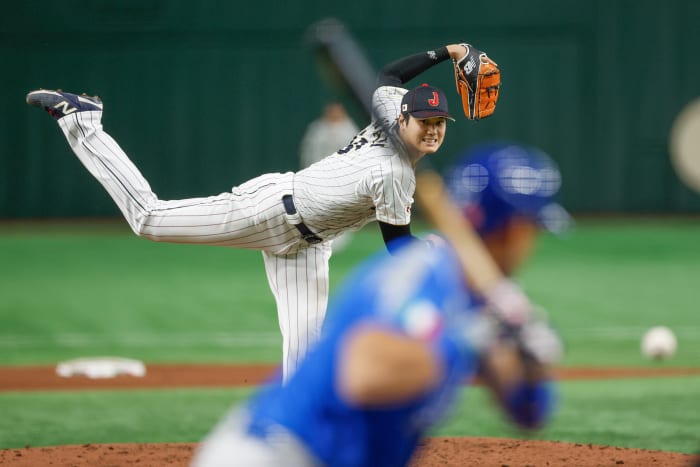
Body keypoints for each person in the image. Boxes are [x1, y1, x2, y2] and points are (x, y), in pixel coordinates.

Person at [25, 43, 479, 381]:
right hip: (271, 211)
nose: (434, 131)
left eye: (440, 124)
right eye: (426, 122)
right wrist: (438, 251)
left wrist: (450, 50)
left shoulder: (387, 113)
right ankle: (82, 121)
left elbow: (389, 73)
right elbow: (399, 248)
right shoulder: (396, 173)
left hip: (305, 248)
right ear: (404, 119)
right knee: (148, 218)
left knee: (302, 362)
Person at [190, 142, 569, 467]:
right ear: (512, 230)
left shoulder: (483, 300)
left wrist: (531, 360)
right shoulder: (423, 274)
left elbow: (528, 412)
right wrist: (470, 338)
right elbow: (366, 374)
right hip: (274, 456)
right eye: (533, 228)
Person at [299, 101, 359, 251]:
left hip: (342, 176)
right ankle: (318, 237)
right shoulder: (317, 129)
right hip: (318, 174)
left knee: (342, 209)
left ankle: (338, 241)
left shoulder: (349, 129)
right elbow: (308, 151)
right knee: (317, 208)